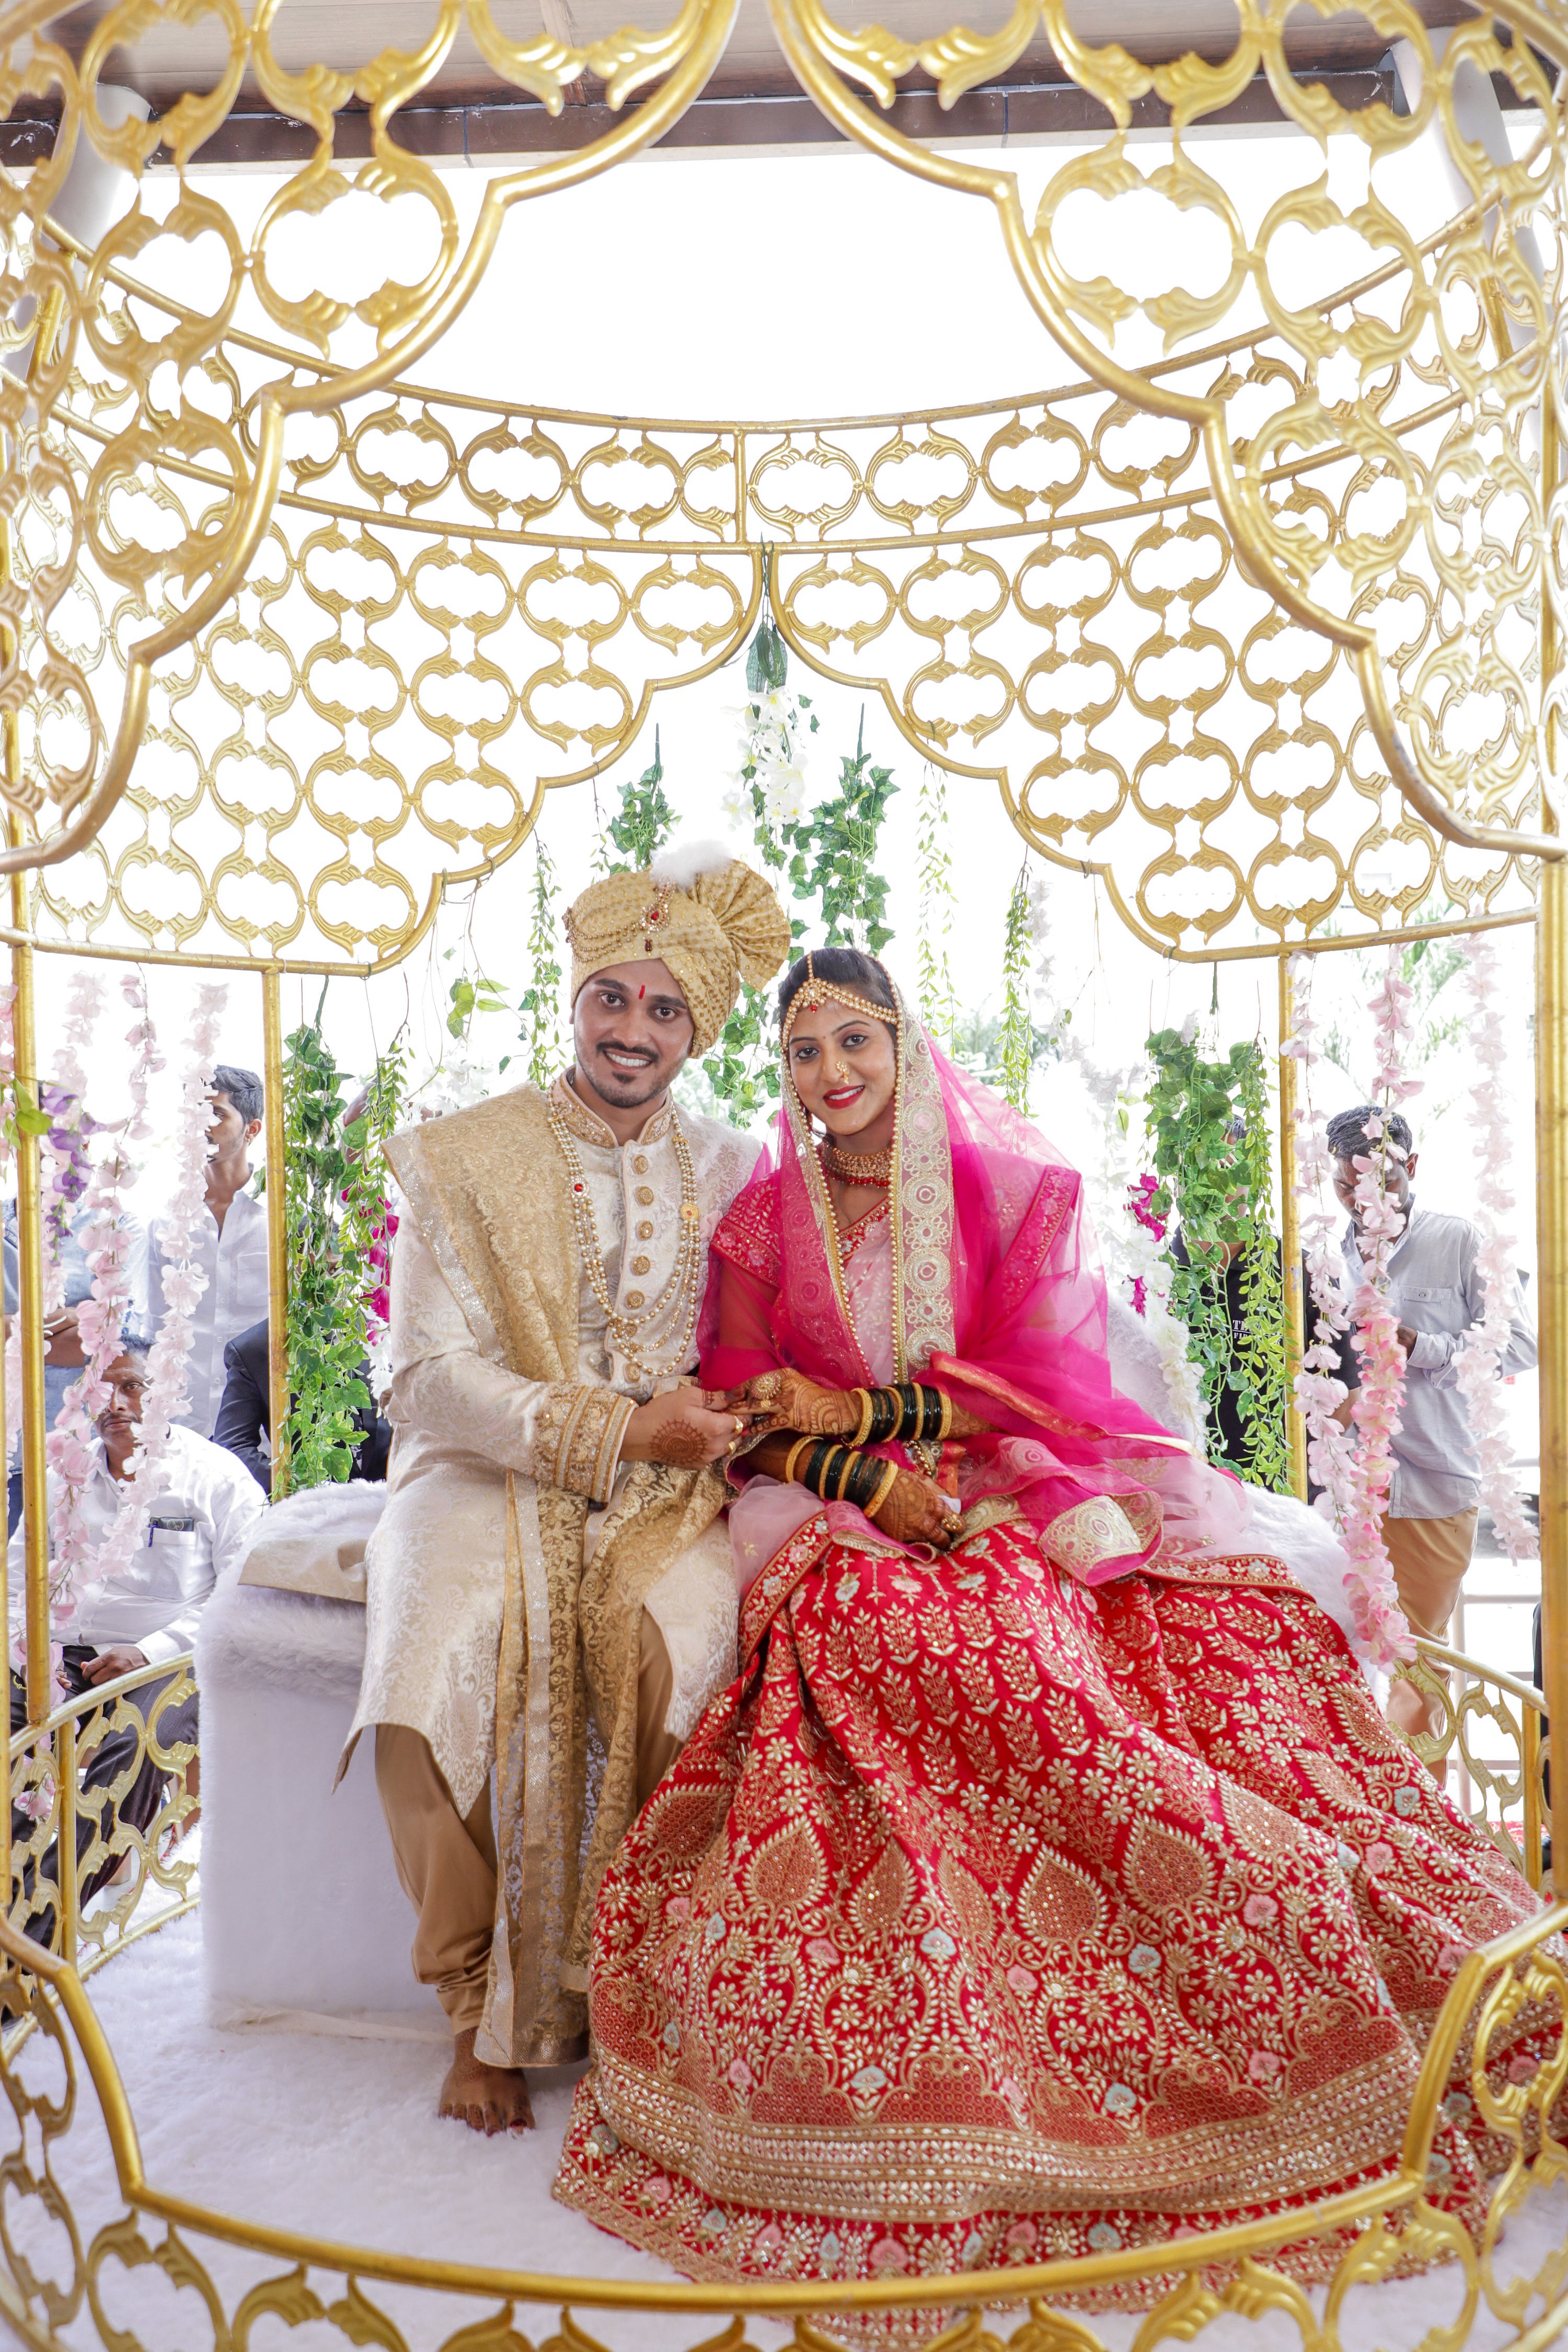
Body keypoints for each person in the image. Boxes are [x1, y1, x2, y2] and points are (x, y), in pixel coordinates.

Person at [554, 949, 1545, 2303]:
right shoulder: (763, 1223)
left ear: (903, 1043)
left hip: (1010, 1475)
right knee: (903, 1642)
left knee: (1135, 1645)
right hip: (836, 1506)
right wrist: (862, 1477)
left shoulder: (996, 1191)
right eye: (804, 1051)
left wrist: (876, 1418)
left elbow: (1033, 1379)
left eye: (855, 1039)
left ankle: (1239, 1889)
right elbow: (740, 1413)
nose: (832, 1072)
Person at [342, 845, 790, 2137]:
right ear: (575, 998)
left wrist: (718, 1420)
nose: (631, 1029)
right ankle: (468, 2001)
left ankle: (635, 1999)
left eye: (664, 1008)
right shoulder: (462, 1155)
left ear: (698, 1031)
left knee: (673, 1653)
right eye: (611, 997)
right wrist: (613, 1424)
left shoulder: (735, 1169)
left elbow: (763, 1344)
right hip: (478, 1464)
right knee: (423, 1677)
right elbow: (422, 1377)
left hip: (667, 1484)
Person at [7, 1336, 265, 1913]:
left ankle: (41, 1921)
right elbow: (18, 1578)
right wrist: (27, 1649)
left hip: (167, 1661)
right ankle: (16, 1888)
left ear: (168, 1392)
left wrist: (149, 1651)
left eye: (132, 1386)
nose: (115, 1402)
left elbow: (243, 1593)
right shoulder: (61, 1473)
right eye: (102, 1388)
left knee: (130, 1747)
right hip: (56, 1652)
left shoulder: (217, 1478)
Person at [1328, 1104, 1537, 1741]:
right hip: (1350, 1492)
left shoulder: (1459, 1241)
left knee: (1417, 1670)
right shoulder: (1330, 1252)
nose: (1362, 1203)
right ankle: (1366, 1799)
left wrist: (1424, 1346)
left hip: (1435, 1487)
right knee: (1351, 1665)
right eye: (1346, 1188)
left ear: (1412, 1167)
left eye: (1379, 1185)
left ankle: (1417, 1802)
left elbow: (1521, 1344)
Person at [3, 1163, 152, 1534]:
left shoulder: (116, 1227)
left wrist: (12, 1331)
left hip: (82, 1451)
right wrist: (69, 1317)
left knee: (77, 1563)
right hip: (7, 1452)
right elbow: (86, 1335)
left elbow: (108, 1341)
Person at [146, 1064, 269, 1440]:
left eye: (216, 1113)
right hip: (185, 1426)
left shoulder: (281, 1217)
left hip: (262, 1429)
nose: (201, 1124)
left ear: (252, 1129)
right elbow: (155, 1327)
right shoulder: (167, 1221)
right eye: (194, 1112)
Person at [214, 1316, 390, 1494]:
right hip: (310, 1505)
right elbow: (232, 1447)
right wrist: (299, 1488)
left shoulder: (385, 1325)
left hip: (391, 1495)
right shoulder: (255, 1348)